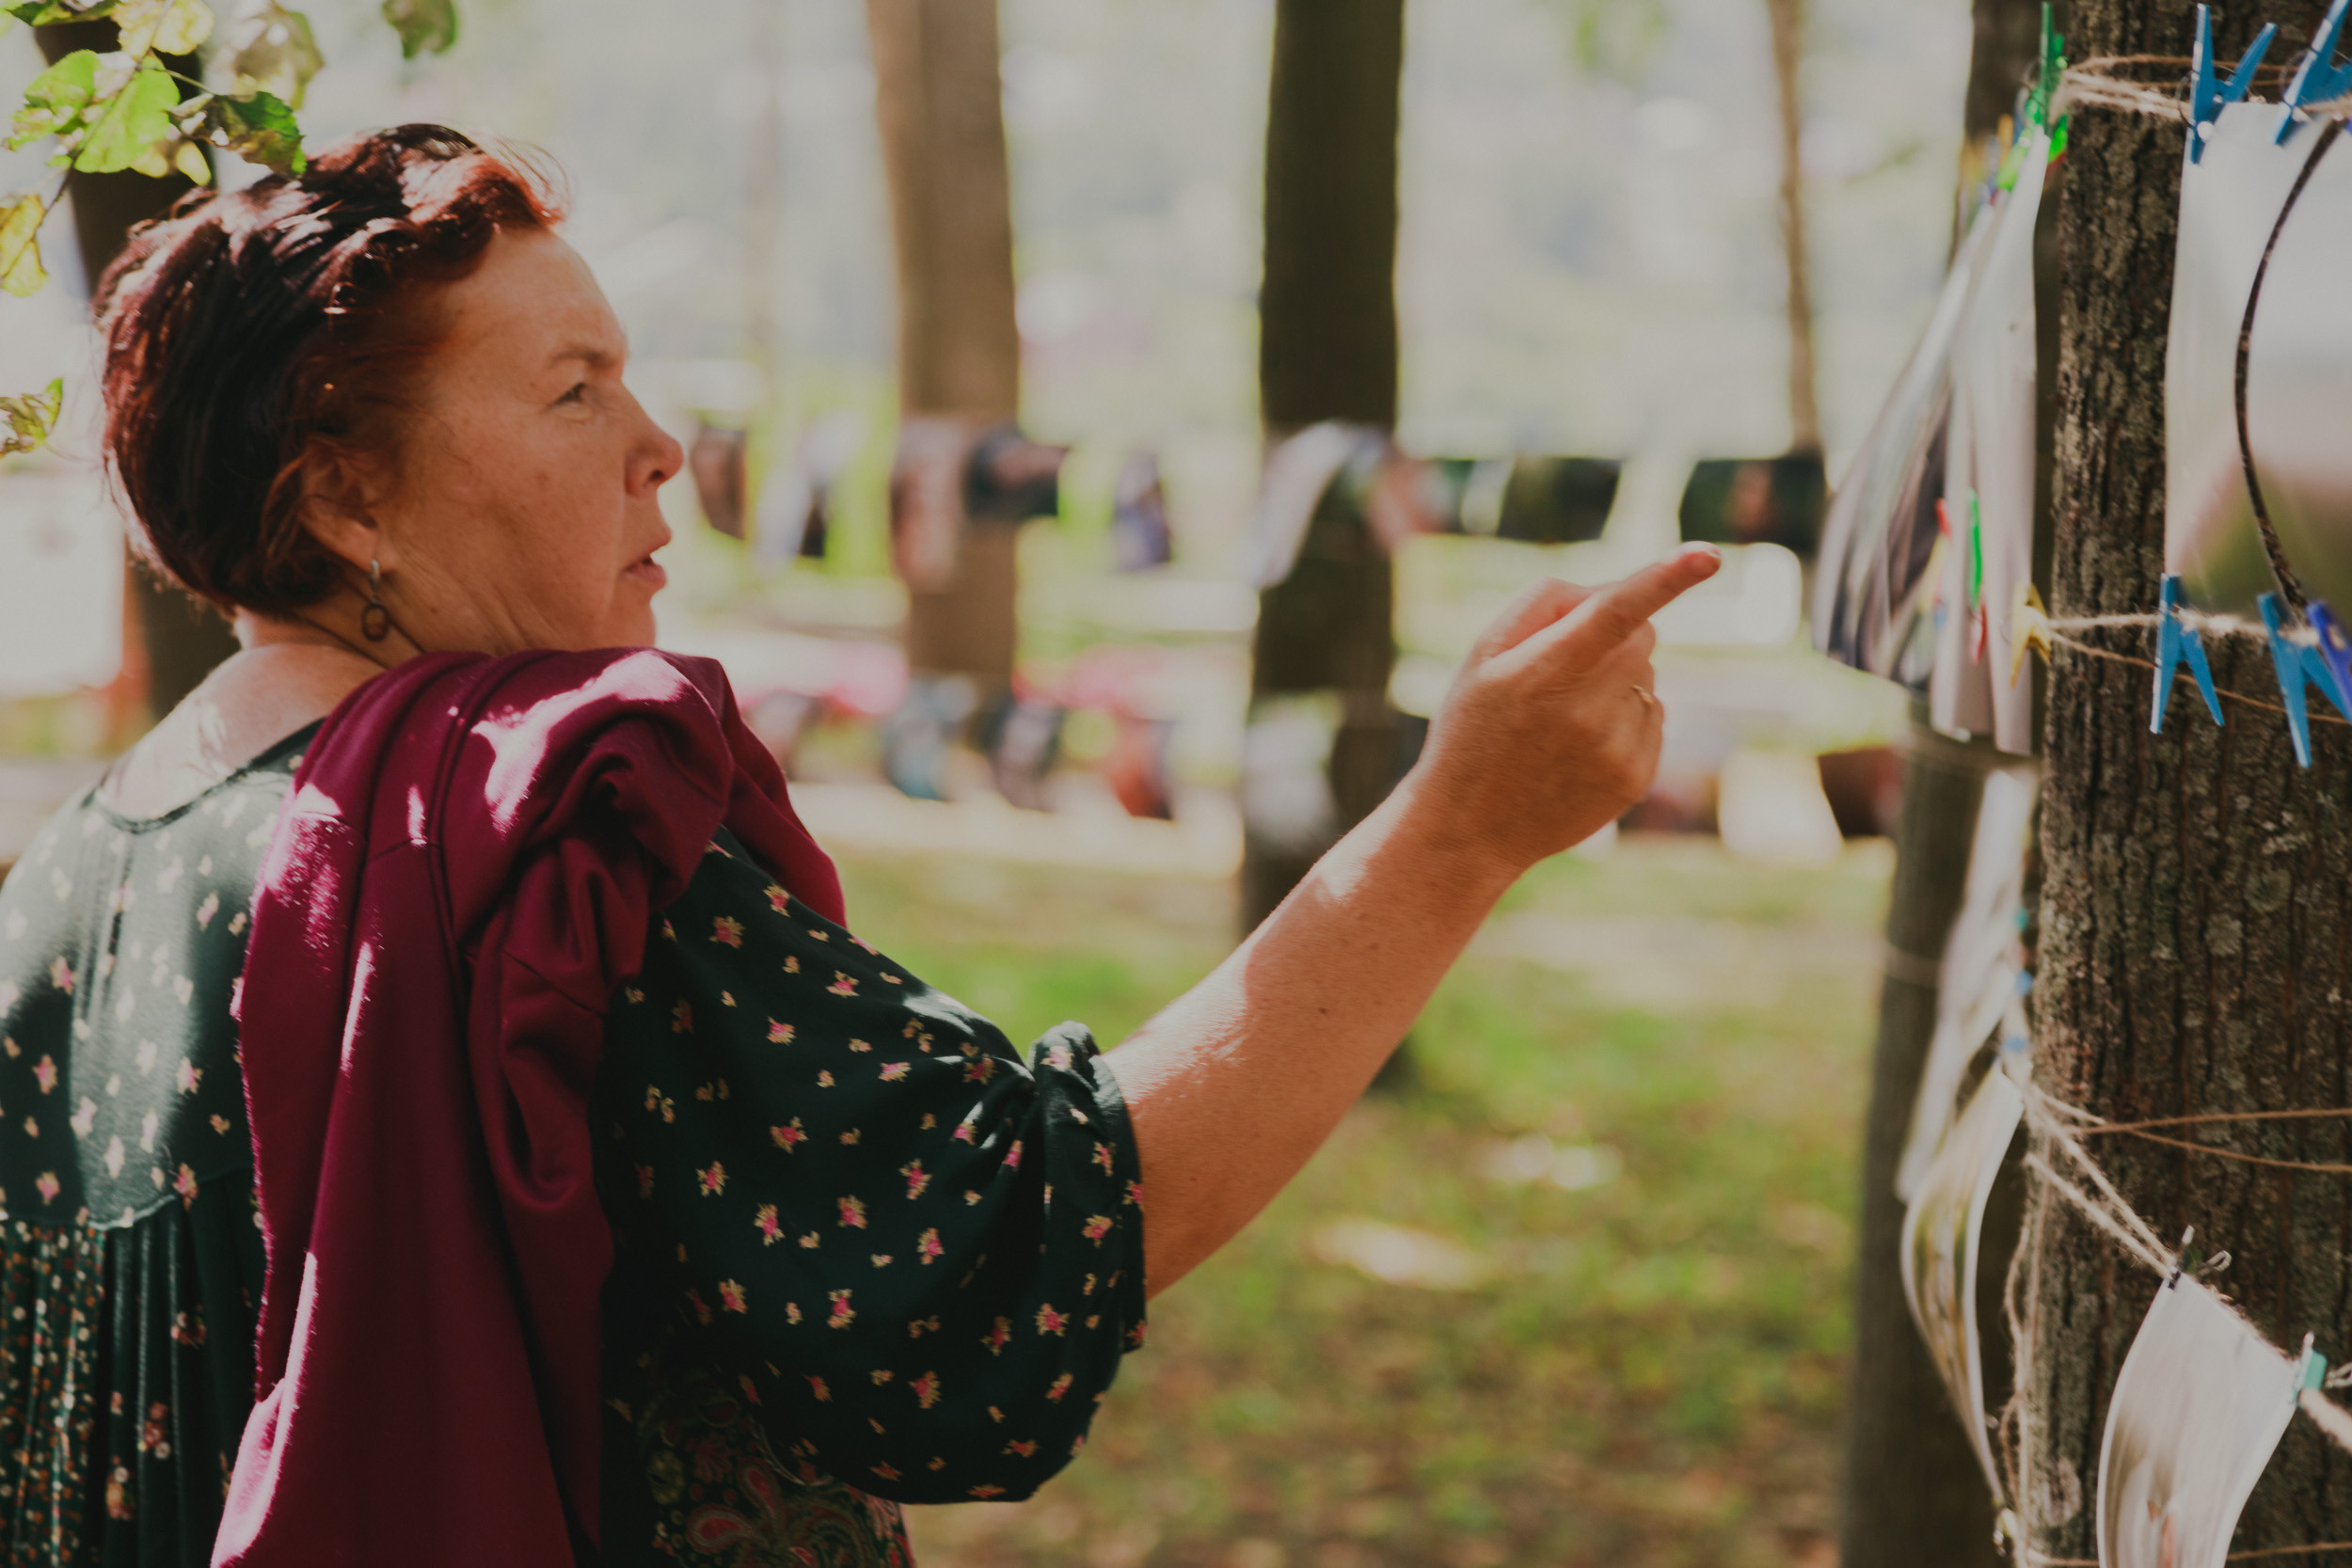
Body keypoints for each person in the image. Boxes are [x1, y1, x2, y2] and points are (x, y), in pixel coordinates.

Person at [0, 126, 1716, 1568]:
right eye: (577, 392)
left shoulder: (65, 878)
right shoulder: (521, 824)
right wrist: (1454, 836)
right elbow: (993, 1254)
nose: (664, 445)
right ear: (344, 499)